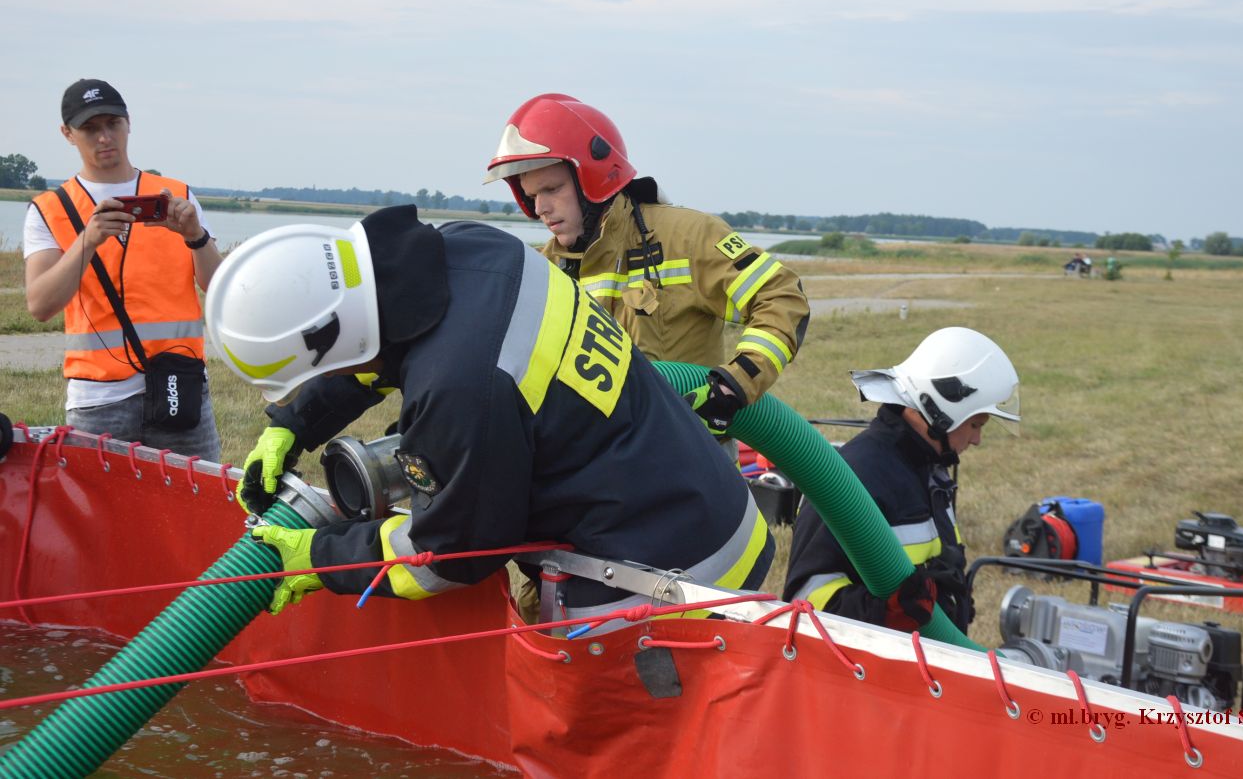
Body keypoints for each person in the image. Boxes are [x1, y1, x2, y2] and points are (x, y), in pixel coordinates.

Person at [205, 206, 774, 622]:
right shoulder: (469, 248)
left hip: (665, 578)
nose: (327, 382)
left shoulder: (463, 386)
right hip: (708, 503)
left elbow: (445, 555)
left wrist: (317, 558)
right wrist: (292, 424)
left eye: (318, 375)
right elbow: (377, 342)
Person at [482, 94, 809, 438]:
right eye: (532, 196)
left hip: (690, 459)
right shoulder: (544, 268)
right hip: (596, 462)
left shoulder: (687, 237)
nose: (541, 208)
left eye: (552, 189)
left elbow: (782, 298)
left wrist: (734, 384)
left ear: (592, 178)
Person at [24, 78, 222, 460]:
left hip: (179, 386)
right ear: (67, 134)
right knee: (99, 519)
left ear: (128, 123)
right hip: (99, 398)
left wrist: (196, 235)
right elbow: (40, 305)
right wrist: (89, 239)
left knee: (194, 513)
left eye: (112, 124)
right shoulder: (50, 209)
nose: (104, 138)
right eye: (90, 128)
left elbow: (220, 288)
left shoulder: (176, 194)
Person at [783, 327, 1020, 634]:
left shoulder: (928, 467)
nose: (976, 439)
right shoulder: (854, 477)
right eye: (975, 424)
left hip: (925, 664)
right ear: (940, 411)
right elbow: (804, 602)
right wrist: (886, 613)